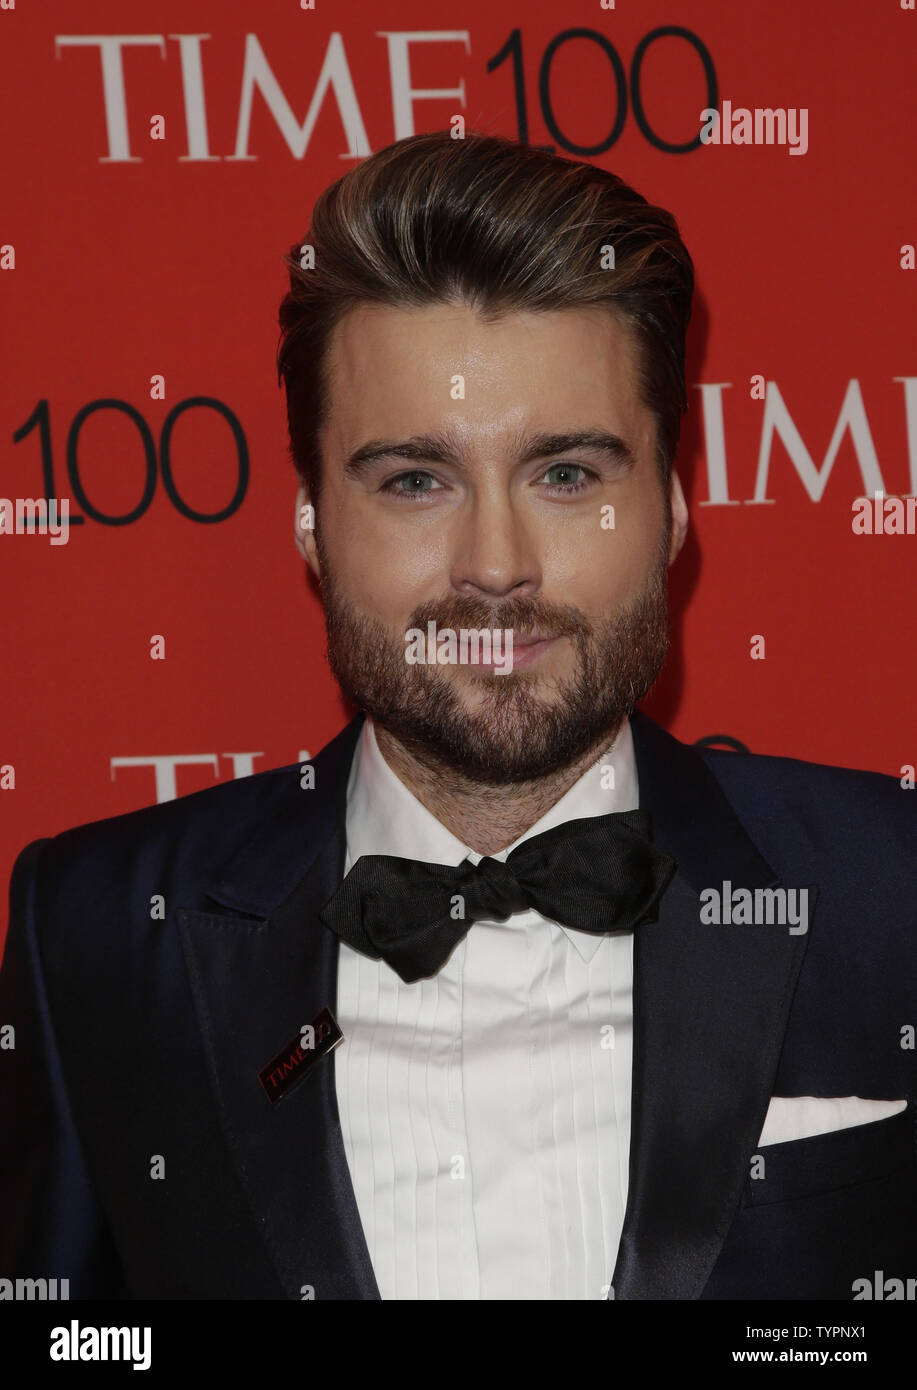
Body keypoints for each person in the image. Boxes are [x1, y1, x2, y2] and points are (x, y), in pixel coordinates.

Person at [1, 130, 914, 1301]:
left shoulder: (889, 891)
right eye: (414, 481)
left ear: (674, 510)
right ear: (309, 527)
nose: (494, 565)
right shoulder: (101, 935)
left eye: (568, 474)